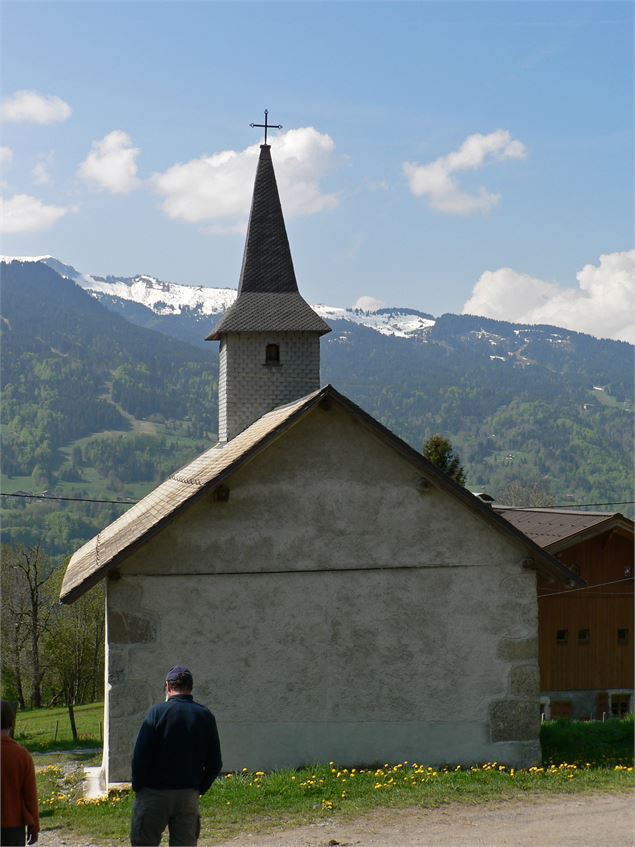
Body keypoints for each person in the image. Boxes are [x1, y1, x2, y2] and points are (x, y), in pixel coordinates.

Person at [130, 665, 222, 846]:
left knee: (144, 843)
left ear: (168, 686)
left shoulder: (157, 713)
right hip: (187, 794)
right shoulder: (205, 716)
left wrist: (138, 785)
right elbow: (215, 763)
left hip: (154, 792)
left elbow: (141, 756)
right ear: (191, 687)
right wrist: (198, 788)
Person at [1, 700, 40, 846]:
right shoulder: (22, 756)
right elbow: (30, 796)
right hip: (14, 827)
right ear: (11, 723)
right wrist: (34, 826)